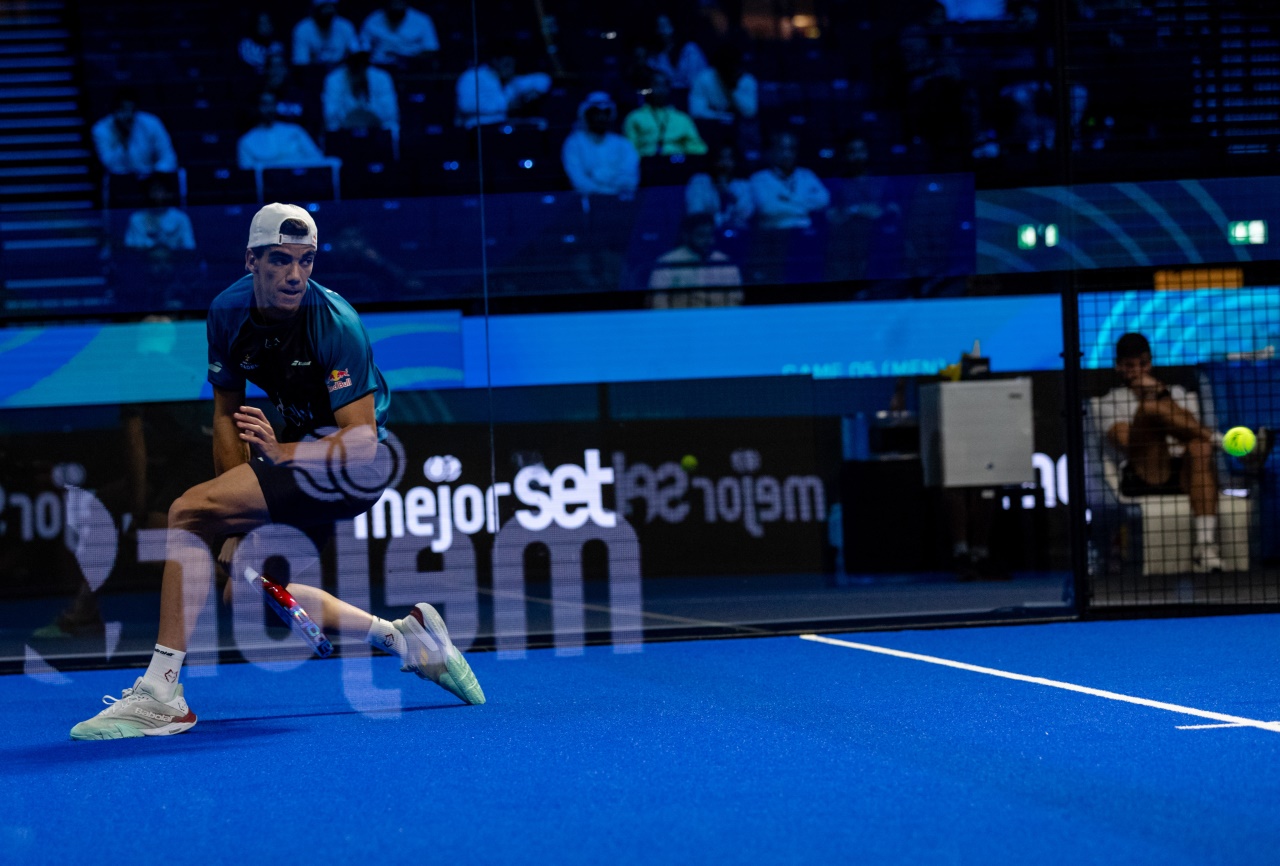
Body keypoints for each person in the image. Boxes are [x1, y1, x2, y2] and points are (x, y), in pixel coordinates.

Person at [70, 204, 485, 740]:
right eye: (280, 260)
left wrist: (282, 456)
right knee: (246, 594)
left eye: (306, 261)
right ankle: (408, 638)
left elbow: (360, 443)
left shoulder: (335, 323)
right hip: (292, 454)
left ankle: (162, 693)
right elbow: (226, 415)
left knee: (188, 511)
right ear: (252, 261)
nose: (294, 275)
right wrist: (237, 525)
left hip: (349, 466)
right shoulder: (226, 312)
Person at [1096, 332, 1229, 573]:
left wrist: (1161, 394)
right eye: (1130, 365)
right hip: (1142, 473)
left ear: (1151, 362)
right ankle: (1221, 440)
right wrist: (1153, 406)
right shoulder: (1109, 401)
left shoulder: (1175, 392)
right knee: (1149, 409)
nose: (1138, 371)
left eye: (1143, 364)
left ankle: (1205, 546)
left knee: (1200, 447)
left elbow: (1194, 432)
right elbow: (1125, 442)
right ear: (1118, 367)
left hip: (1183, 472)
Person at [561, 92, 640, 196]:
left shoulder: (623, 144)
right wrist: (605, 192)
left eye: (605, 113)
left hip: (621, 204)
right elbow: (578, 181)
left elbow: (630, 178)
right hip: (587, 204)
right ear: (586, 115)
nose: (600, 117)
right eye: (596, 113)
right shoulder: (574, 143)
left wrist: (597, 177)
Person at [749, 131, 830, 230]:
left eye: (791, 149)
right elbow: (768, 208)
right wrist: (803, 207)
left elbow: (823, 200)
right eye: (782, 149)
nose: (787, 154)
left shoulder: (807, 174)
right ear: (772, 151)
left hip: (804, 234)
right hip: (774, 236)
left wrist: (786, 202)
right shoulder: (758, 178)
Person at [455, 47, 552, 128]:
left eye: (512, 65)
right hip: (480, 127)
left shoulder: (512, 80)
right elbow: (466, 105)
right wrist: (505, 105)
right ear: (495, 62)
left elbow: (543, 79)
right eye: (506, 65)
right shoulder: (472, 76)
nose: (510, 69)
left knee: (540, 124)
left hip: (505, 126)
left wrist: (532, 93)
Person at [91, 89, 178, 177]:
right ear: (114, 110)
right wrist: (123, 141)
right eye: (122, 110)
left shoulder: (152, 123)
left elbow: (168, 157)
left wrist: (153, 175)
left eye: (131, 109)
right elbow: (111, 166)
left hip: (153, 180)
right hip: (120, 181)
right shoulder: (101, 130)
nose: (127, 115)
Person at [648, 212, 742, 291]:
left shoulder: (724, 262)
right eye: (701, 235)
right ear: (686, 235)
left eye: (709, 235)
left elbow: (736, 297)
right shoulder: (666, 263)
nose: (708, 241)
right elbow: (658, 301)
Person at [622, 71, 708, 157]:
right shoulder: (634, 117)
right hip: (647, 163)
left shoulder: (682, 118)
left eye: (664, 85)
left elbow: (698, 147)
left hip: (677, 163)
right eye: (656, 85)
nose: (660, 90)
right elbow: (629, 150)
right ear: (648, 89)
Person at [238, 92, 332, 170]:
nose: (269, 109)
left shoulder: (294, 131)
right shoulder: (246, 141)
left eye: (272, 104)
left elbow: (318, 159)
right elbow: (248, 174)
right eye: (265, 104)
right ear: (256, 107)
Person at [322, 51, 399, 133]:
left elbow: (390, 114)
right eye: (354, 61)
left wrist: (367, 113)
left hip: (377, 133)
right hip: (344, 135)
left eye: (361, 61)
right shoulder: (334, 79)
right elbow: (330, 116)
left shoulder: (381, 78)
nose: (358, 65)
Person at [685, 144, 754, 229]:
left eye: (729, 159)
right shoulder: (699, 181)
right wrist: (721, 220)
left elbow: (746, 214)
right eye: (720, 158)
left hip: (737, 233)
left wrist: (728, 194)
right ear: (713, 160)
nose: (724, 163)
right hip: (705, 234)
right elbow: (695, 213)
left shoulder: (743, 185)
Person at [688, 43, 757, 124]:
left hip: (740, 130)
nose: (729, 69)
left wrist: (732, 90)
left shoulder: (747, 80)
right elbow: (696, 111)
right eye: (725, 66)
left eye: (733, 66)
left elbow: (750, 112)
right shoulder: (703, 78)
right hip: (711, 128)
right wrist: (722, 116)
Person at [124, 176, 196, 252]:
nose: (157, 195)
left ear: (169, 194)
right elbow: (131, 249)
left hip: (174, 262)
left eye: (161, 191)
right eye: (154, 190)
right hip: (145, 262)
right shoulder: (136, 219)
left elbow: (189, 247)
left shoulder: (181, 218)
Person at [360, 0, 439, 67]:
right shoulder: (372, 20)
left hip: (411, 68)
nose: (397, 3)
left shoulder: (422, 20)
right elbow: (362, 48)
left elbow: (431, 49)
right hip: (378, 66)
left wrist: (406, 59)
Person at [646, 13, 707, 91]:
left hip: (695, 96)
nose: (662, 30)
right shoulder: (654, 57)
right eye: (659, 26)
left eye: (665, 24)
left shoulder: (690, 50)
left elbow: (699, 78)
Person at [291, 0, 360, 67]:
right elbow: (301, 63)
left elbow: (356, 54)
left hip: (341, 72)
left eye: (331, 7)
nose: (327, 11)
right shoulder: (303, 29)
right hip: (314, 73)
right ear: (315, 8)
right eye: (324, 7)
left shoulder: (346, 26)